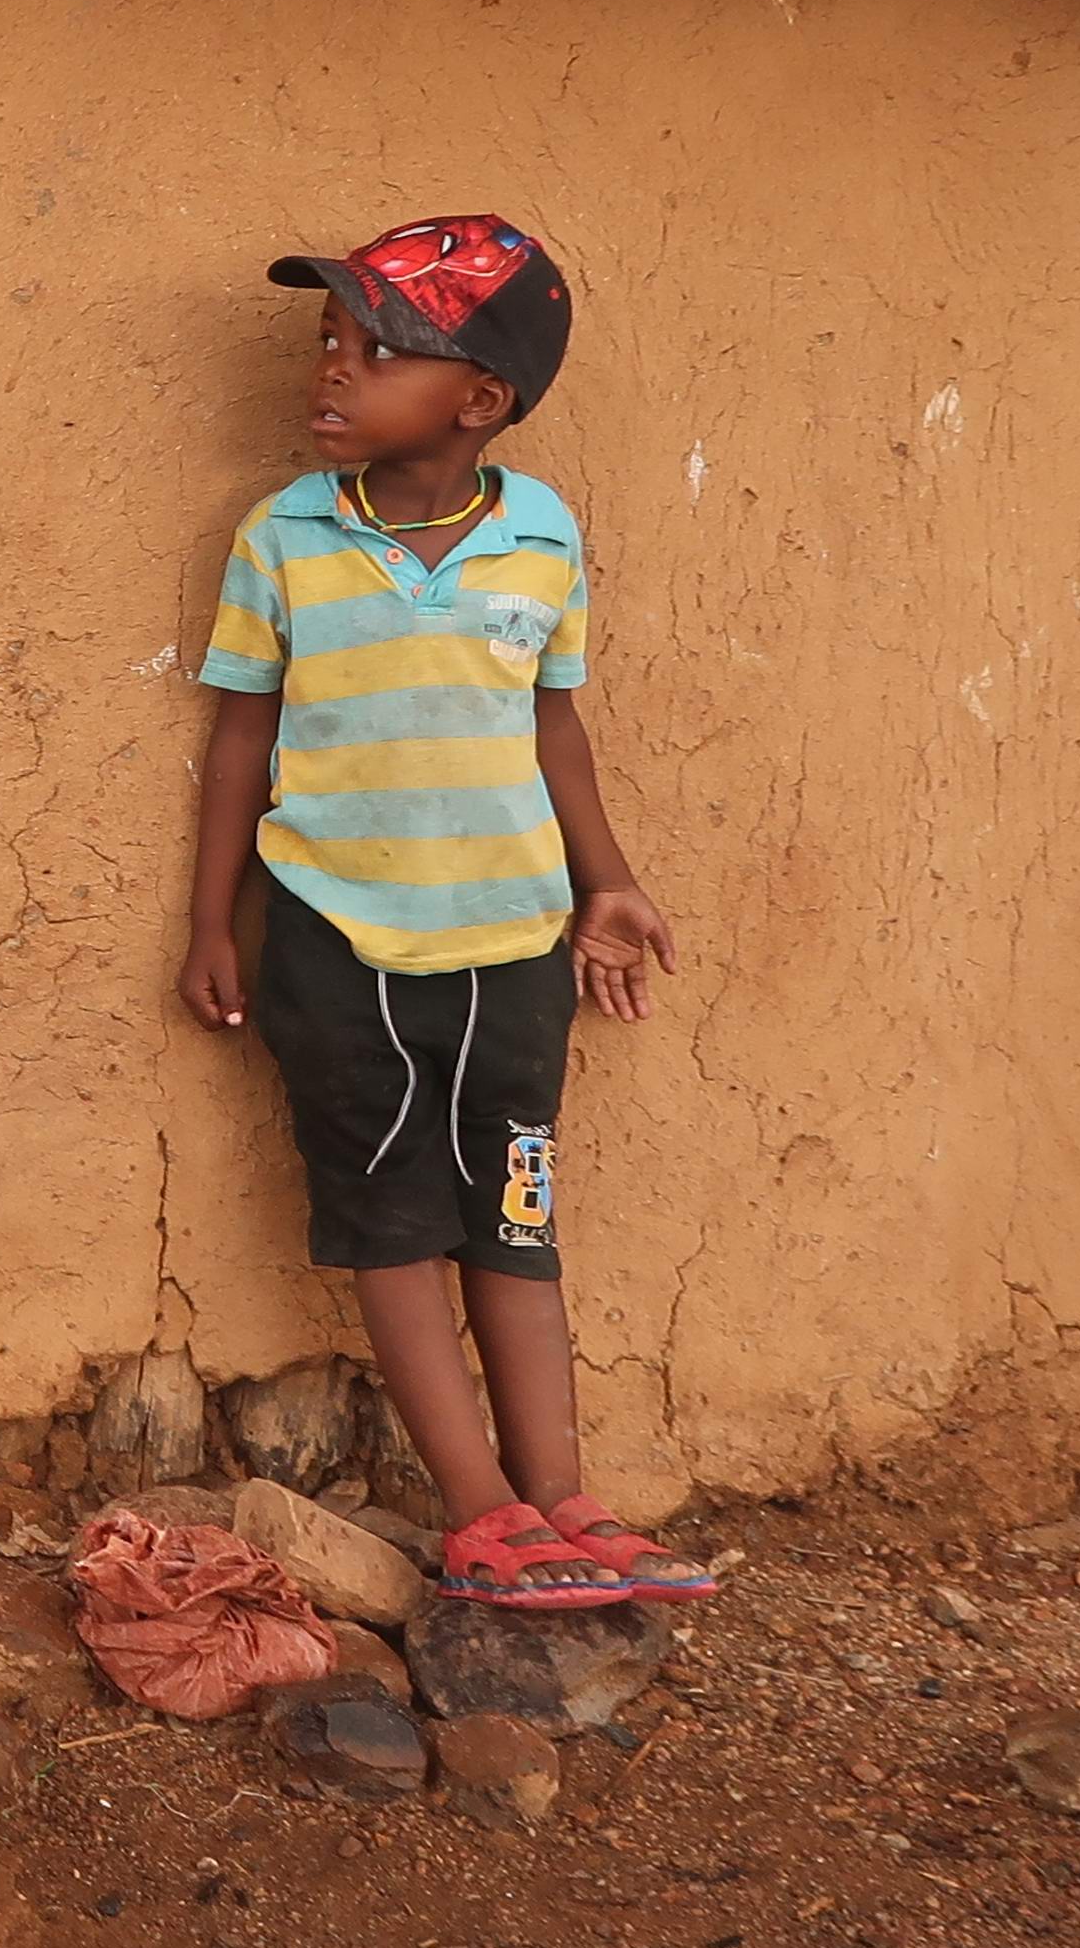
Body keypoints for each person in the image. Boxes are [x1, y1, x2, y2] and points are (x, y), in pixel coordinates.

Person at [176, 215, 708, 1606]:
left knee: (513, 1220)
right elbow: (241, 738)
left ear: (478, 402)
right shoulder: (282, 536)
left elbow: (555, 724)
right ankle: (480, 1515)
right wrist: (212, 920)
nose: (332, 373)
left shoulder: (540, 537)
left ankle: (565, 1500)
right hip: (336, 942)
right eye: (328, 345)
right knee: (397, 1226)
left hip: (516, 947)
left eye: (372, 351)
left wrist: (609, 879)